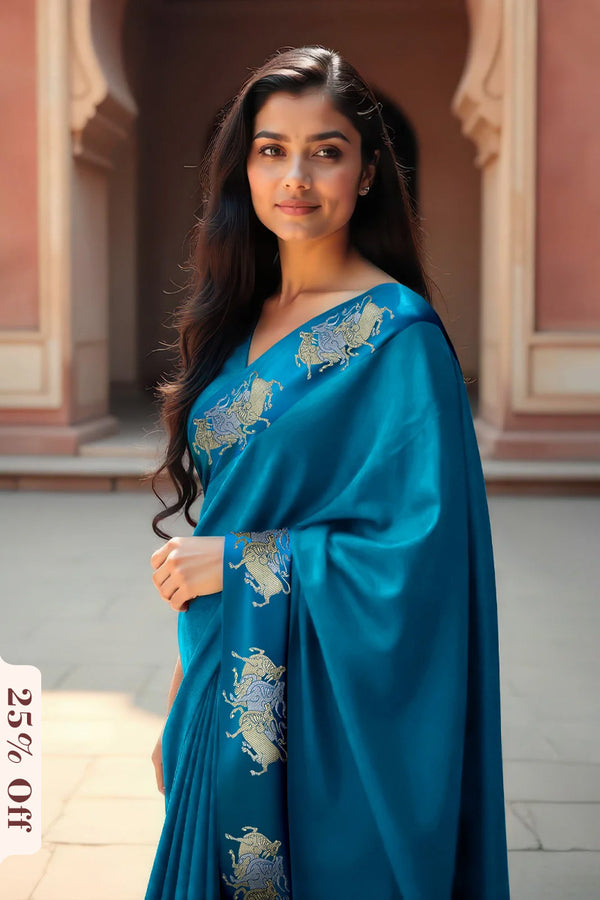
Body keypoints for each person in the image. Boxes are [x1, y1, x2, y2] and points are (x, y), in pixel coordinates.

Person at [143, 44, 510, 900]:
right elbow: (230, 504)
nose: (296, 177)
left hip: (324, 715)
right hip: (217, 671)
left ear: (368, 172)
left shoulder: (398, 337)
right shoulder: (237, 317)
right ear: (244, 168)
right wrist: (180, 692)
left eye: (327, 151)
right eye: (272, 149)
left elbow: (418, 562)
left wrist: (235, 564)